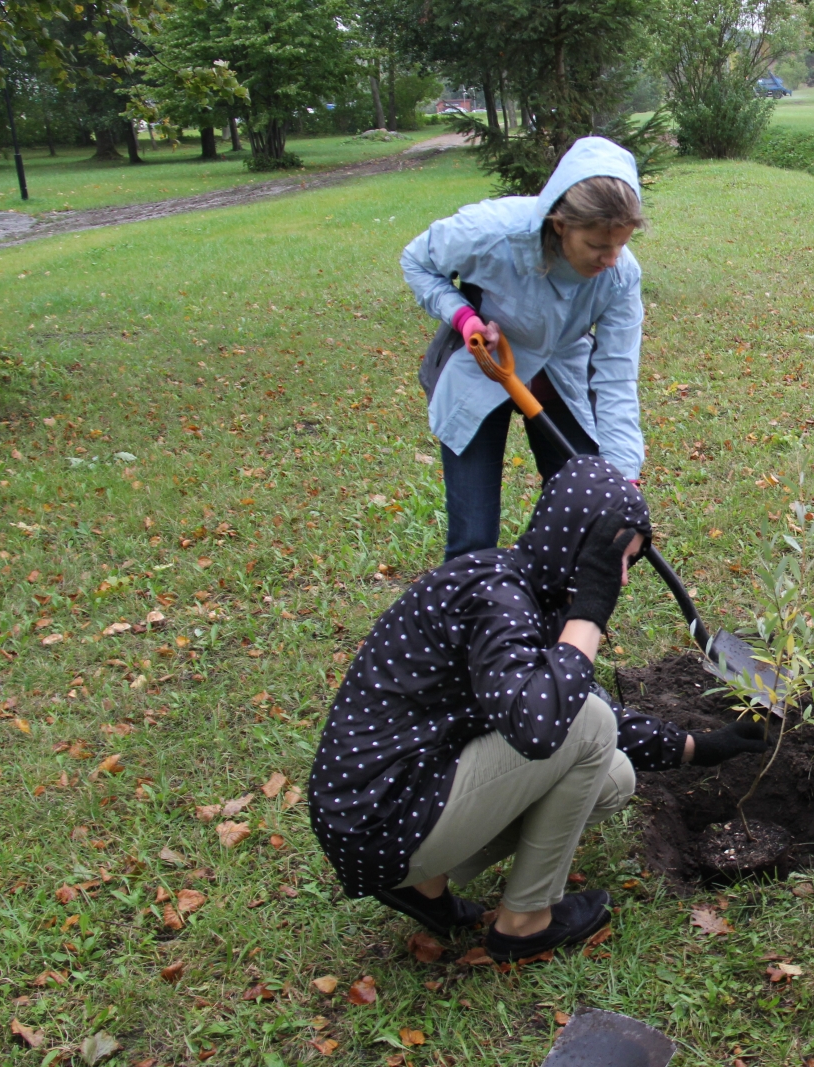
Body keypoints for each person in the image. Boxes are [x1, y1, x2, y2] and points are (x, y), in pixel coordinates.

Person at [307, 457, 767, 962]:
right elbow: (545, 727)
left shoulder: (531, 593)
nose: (623, 582)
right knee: (589, 727)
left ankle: (425, 886)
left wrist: (697, 748)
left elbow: (582, 700)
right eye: (615, 564)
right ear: (577, 546)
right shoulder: (496, 599)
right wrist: (592, 607)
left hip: (407, 791)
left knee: (613, 777)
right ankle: (524, 924)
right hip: (376, 816)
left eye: (626, 565)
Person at [403, 136, 647, 561]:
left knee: (584, 513)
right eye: (596, 246)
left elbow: (616, 376)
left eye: (620, 244)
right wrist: (462, 316)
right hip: (483, 368)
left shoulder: (621, 276)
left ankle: (558, 621)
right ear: (560, 224)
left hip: (560, 375)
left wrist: (623, 476)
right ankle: (468, 620)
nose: (610, 259)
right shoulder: (492, 232)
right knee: (474, 536)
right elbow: (417, 261)